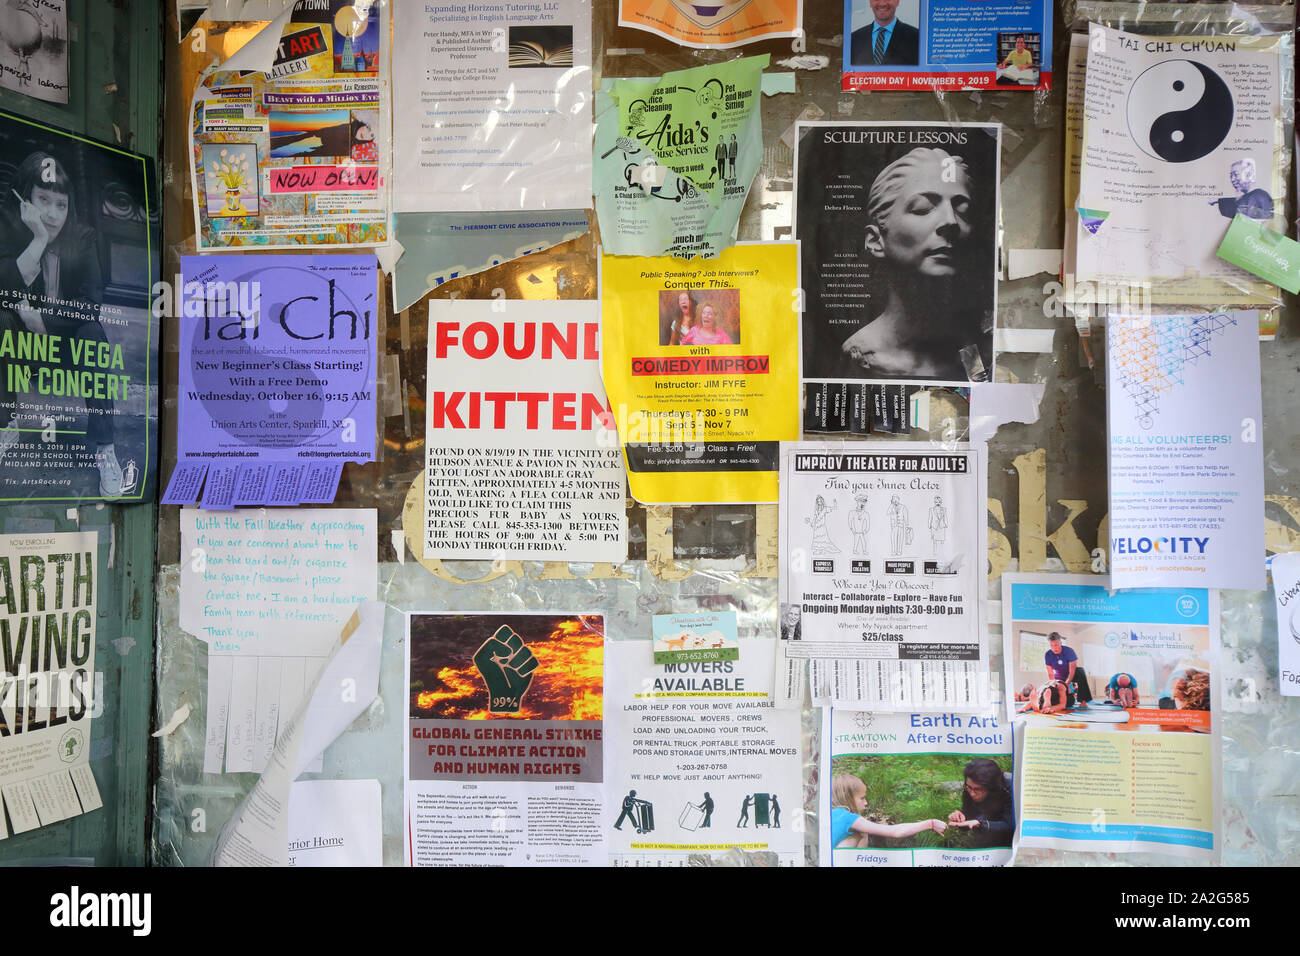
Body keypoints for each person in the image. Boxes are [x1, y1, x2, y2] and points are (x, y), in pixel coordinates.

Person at [0, 150, 123, 496]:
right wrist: (37, 240)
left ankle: (105, 449)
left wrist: (41, 319)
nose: (53, 215)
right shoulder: (8, 228)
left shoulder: (82, 238)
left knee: (93, 335)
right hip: (19, 349)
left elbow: (91, 305)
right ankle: (5, 424)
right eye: (43, 201)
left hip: (63, 346)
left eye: (61, 205)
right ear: (25, 199)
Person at [839, 148, 990, 382]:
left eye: (963, 211)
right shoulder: (861, 352)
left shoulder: (973, 355)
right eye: (922, 208)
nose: (950, 221)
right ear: (876, 241)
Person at [830, 773, 946, 848]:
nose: (866, 803)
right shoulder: (848, 818)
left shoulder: (833, 814)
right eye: (862, 798)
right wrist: (930, 823)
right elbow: (895, 831)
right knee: (862, 834)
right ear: (847, 797)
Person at [947, 758, 1014, 849]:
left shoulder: (1011, 788)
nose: (972, 793)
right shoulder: (969, 788)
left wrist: (981, 824)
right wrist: (960, 818)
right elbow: (968, 819)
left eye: (978, 789)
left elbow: (1011, 826)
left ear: (991, 787)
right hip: (989, 813)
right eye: (969, 787)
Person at [849, 0, 919, 66]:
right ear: (870, 2)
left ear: (897, 1)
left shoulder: (917, 38)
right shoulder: (853, 39)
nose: (882, 4)